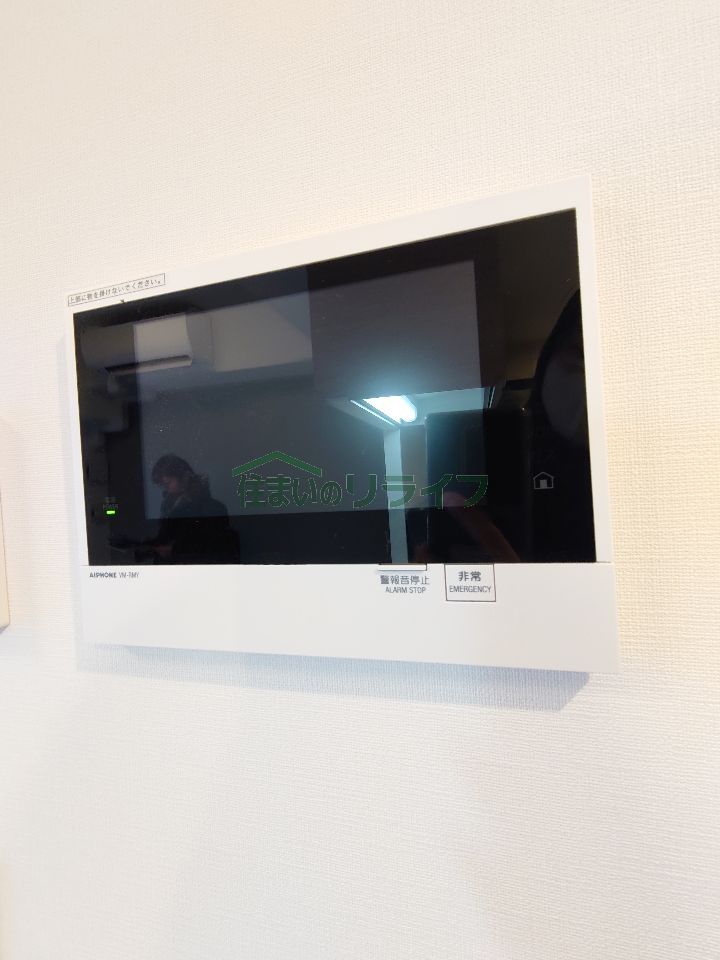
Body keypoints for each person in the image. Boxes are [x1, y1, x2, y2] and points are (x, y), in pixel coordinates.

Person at [143, 455, 240, 563]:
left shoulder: (214, 509)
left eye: (168, 483)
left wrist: (174, 550)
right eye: (163, 485)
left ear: (185, 477)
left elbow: (213, 550)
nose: (166, 489)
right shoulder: (168, 506)